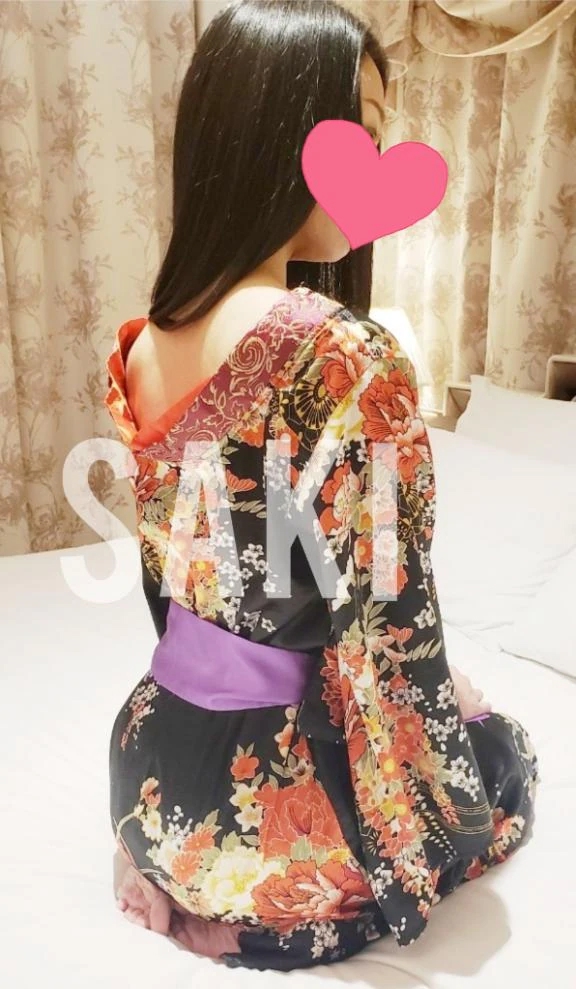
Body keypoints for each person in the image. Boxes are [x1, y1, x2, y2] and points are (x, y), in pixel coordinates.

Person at [103, 0, 538, 972]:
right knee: (505, 755)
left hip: (150, 766)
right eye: (363, 135)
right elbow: (392, 623)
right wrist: (449, 762)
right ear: (279, 132)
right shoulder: (341, 351)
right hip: (271, 814)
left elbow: (178, 580)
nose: (371, 167)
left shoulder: (145, 339)